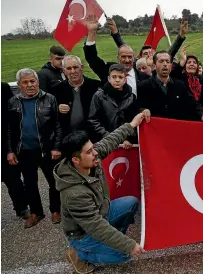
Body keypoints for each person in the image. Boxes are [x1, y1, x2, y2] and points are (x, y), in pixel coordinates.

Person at [54, 112, 148, 273]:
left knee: (131, 202)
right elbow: (96, 226)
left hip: (100, 211)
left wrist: (132, 124)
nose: (95, 153)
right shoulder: (74, 194)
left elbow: (109, 141)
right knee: (123, 255)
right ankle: (78, 253)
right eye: (89, 151)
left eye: (92, 148)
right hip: (83, 234)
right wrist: (128, 245)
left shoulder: (88, 159)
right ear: (76, 160)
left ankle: (109, 241)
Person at [7, 68, 62, 228]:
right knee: (30, 183)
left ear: (37, 82)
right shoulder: (13, 102)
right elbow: (10, 129)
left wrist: (56, 147)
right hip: (24, 150)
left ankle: (55, 210)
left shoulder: (50, 99)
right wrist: (10, 151)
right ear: (19, 85)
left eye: (33, 81)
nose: (30, 85)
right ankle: (36, 212)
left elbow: (58, 125)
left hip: (46, 148)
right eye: (25, 82)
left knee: (53, 181)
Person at [83, 15, 149, 99]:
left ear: (134, 58)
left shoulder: (144, 78)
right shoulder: (108, 71)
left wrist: (115, 32)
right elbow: (92, 58)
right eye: (123, 57)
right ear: (118, 57)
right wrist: (91, 32)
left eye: (129, 57)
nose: (127, 60)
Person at [139, 51, 203, 125]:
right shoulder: (144, 86)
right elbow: (137, 107)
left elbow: (193, 103)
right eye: (161, 61)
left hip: (176, 130)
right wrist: (143, 110)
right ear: (154, 65)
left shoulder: (179, 85)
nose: (165, 64)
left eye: (167, 61)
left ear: (171, 65)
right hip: (155, 131)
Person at [88, 64, 140, 146]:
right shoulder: (99, 96)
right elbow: (93, 120)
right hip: (105, 141)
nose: (117, 80)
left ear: (125, 79)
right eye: (114, 77)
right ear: (109, 79)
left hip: (126, 142)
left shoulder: (131, 97)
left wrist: (128, 139)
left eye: (120, 77)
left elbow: (134, 120)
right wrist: (109, 137)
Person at [52, 55, 101, 137]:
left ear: (82, 67)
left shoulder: (96, 86)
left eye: (75, 67)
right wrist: (56, 108)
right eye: (68, 68)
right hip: (67, 138)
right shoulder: (57, 89)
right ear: (64, 71)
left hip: (92, 137)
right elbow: (49, 113)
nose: (73, 71)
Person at [2, 82, 29, 219]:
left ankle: (21, 207)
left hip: (3, 143)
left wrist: (10, 149)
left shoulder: (3, 88)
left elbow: (10, 120)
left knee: (13, 178)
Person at [171, 46, 203, 115]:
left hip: (202, 116)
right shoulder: (180, 79)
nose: (192, 64)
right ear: (184, 65)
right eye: (189, 62)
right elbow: (173, 74)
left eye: (194, 62)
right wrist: (183, 60)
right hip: (184, 116)